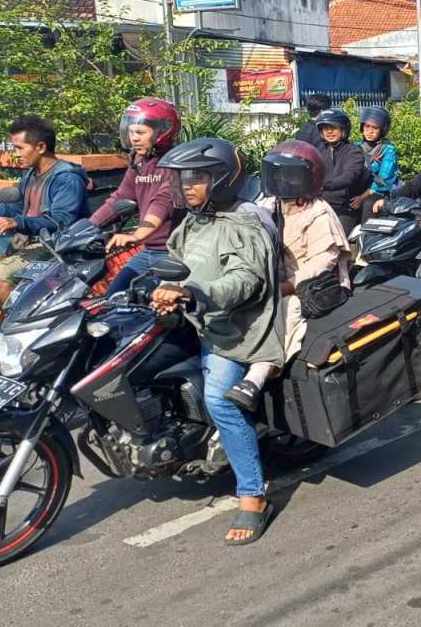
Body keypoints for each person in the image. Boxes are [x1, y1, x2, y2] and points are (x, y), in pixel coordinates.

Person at [151, 138, 283, 545]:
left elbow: (244, 281)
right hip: (192, 317)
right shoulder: (196, 219)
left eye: (197, 178)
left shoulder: (246, 223)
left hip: (235, 329)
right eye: (183, 178)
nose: (186, 186)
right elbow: (175, 259)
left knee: (221, 401)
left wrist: (191, 293)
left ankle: (253, 495)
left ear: (223, 179)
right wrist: (161, 288)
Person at [225, 141, 353, 411]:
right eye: (279, 172)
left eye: (291, 175)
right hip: (272, 284)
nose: (283, 179)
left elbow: (323, 261)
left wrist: (287, 286)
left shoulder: (318, 212)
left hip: (315, 289)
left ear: (309, 179)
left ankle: (256, 377)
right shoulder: (267, 205)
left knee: (287, 308)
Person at [0, 115, 91, 305]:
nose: (16, 153)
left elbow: (61, 221)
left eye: (19, 148)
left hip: (58, 246)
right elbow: (17, 206)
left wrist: (17, 222)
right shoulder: (32, 174)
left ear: (40, 147)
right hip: (32, 243)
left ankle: (24, 323)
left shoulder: (66, 178)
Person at [89, 98, 181, 296]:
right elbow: (119, 199)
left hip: (173, 253)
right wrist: (86, 228)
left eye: (140, 132)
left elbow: (164, 201)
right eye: (131, 132)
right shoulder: (140, 164)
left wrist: (137, 235)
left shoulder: (175, 164)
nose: (134, 138)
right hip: (148, 250)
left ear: (162, 132)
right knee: (111, 299)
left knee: (147, 307)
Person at [314, 108, 370, 234]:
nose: (329, 131)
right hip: (317, 204)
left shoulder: (354, 152)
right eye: (325, 128)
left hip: (343, 208)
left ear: (344, 129)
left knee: (333, 238)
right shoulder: (317, 150)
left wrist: (325, 186)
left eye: (333, 127)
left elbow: (349, 176)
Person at [353, 106, 398, 219]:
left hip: (379, 190)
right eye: (367, 126)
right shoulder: (356, 147)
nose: (370, 131)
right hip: (359, 188)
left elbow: (384, 179)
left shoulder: (388, 149)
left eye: (375, 128)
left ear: (382, 130)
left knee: (368, 204)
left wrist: (362, 197)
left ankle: (366, 230)